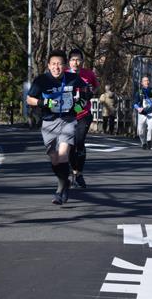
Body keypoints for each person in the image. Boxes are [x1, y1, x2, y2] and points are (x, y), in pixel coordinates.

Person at [26, 49, 91, 205]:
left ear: (65, 65)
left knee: (63, 155)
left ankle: (59, 191)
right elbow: (29, 99)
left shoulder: (72, 78)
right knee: (54, 159)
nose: (56, 67)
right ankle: (65, 181)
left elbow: (87, 93)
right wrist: (44, 103)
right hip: (49, 122)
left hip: (68, 120)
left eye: (60, 64)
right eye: (53, 64)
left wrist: (76, 109)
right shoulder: (41, 80)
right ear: (49, 65)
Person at [65, 48, 100, 189]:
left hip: (83, 113)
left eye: (78, 59)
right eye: (73, 59)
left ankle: (78, 173)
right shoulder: (64, 74)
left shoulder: (88, 74)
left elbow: (97, 87)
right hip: (68, 114)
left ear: (82, 61)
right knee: (71, 145)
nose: (76, 62)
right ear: (69, 62)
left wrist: (91, 92)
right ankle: (74, 172)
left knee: (79, 141)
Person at [133, 76, 152, 149]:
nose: (147, 82)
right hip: (142, 113)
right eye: (145, 81)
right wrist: (138, 108)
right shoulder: (139, 92)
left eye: (148, 80)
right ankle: (143, 142)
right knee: (140, 131)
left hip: (151, 112)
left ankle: (149, 141)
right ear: (142, 83)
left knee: (151, 128)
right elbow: (135, 103)